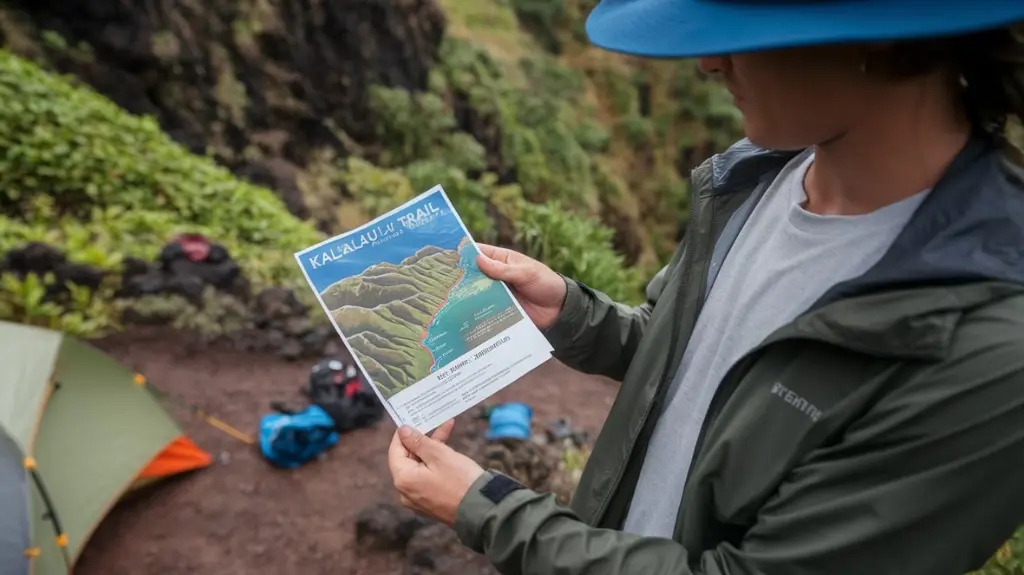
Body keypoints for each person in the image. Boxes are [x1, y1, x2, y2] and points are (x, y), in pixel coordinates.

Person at [387, 1, 1024, 573]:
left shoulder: (988, 349)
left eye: (741, 27)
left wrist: (491, 512)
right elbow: (695, 365)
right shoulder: (758, 180)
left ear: (882, 32)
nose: (709, 62)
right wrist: (573, 314)